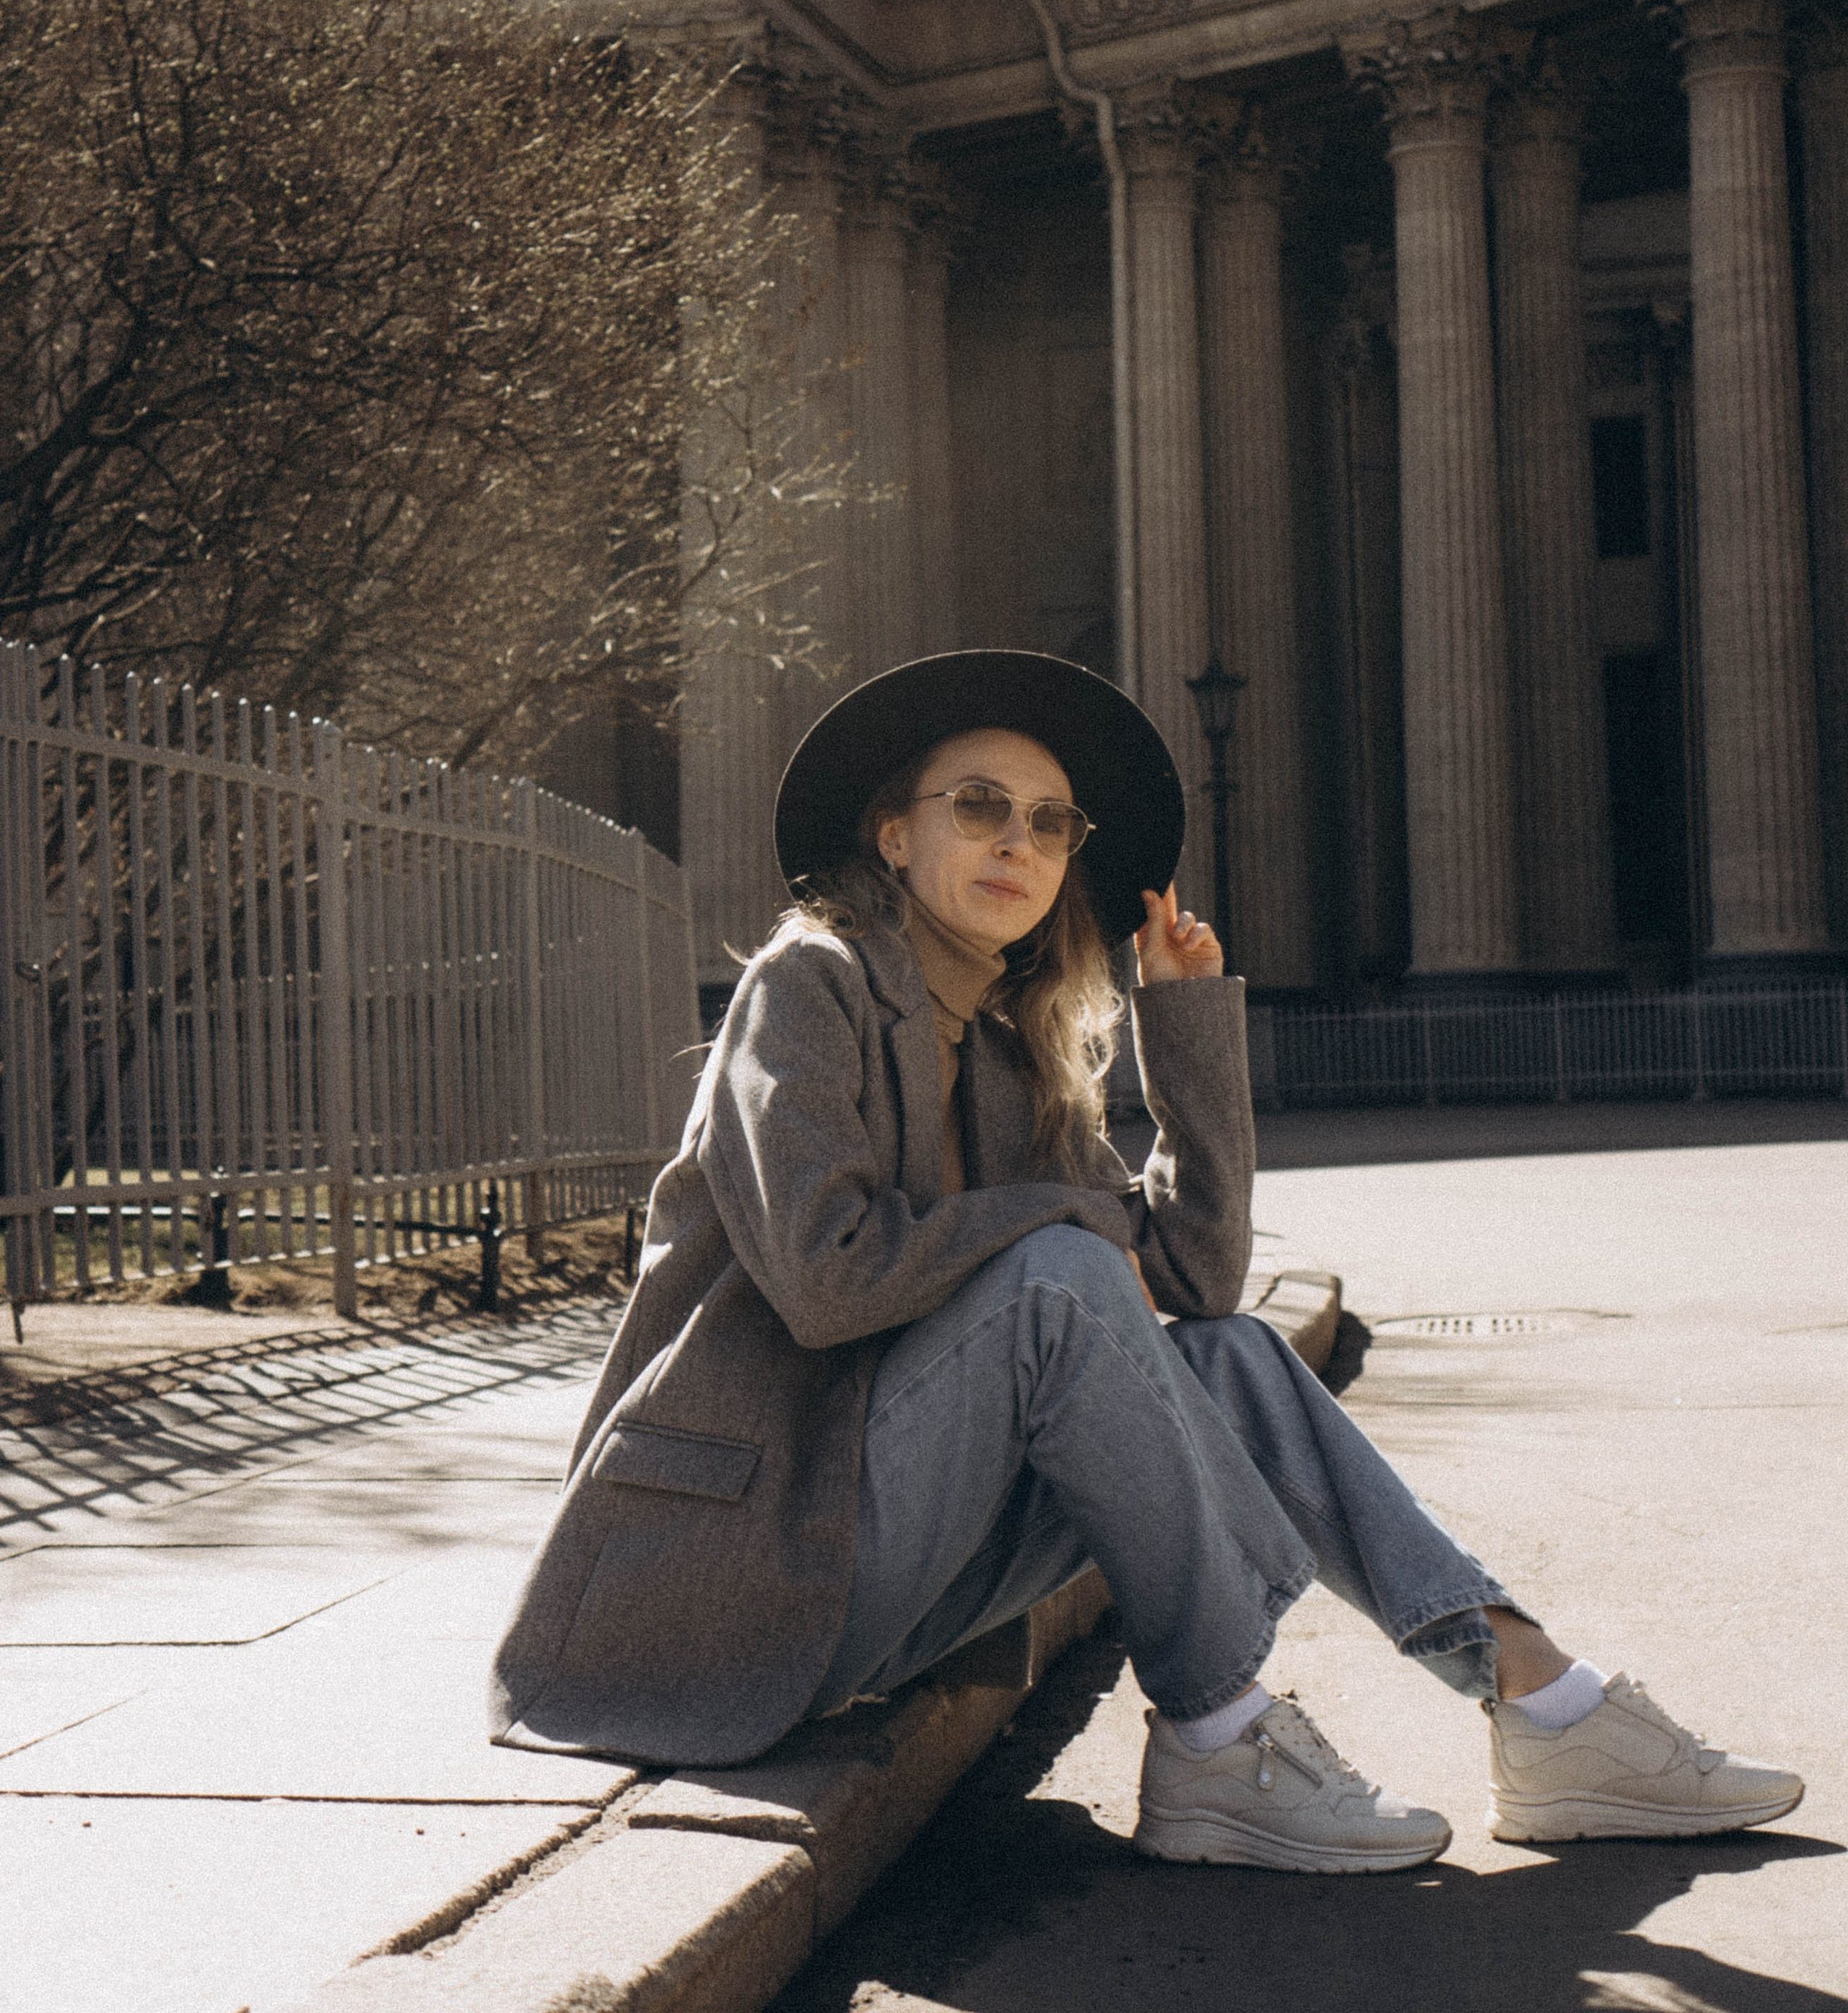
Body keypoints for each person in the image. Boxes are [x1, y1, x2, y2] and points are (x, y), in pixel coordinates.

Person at [490, 650, 1803, 1869]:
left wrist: (1186, 1026)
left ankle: (1541, 1697)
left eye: (1050, 823)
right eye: (979, 806)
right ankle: (1218, 1732)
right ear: (894, 834)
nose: (1018, 841)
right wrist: (1058, 1227)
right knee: (1057, 1278)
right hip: (727, 1579)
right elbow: (828, 1276)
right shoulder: (810, 985)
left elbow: (1198, 1280)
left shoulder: (1007, 1053)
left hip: (889, 1552)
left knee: (1227, 1357)